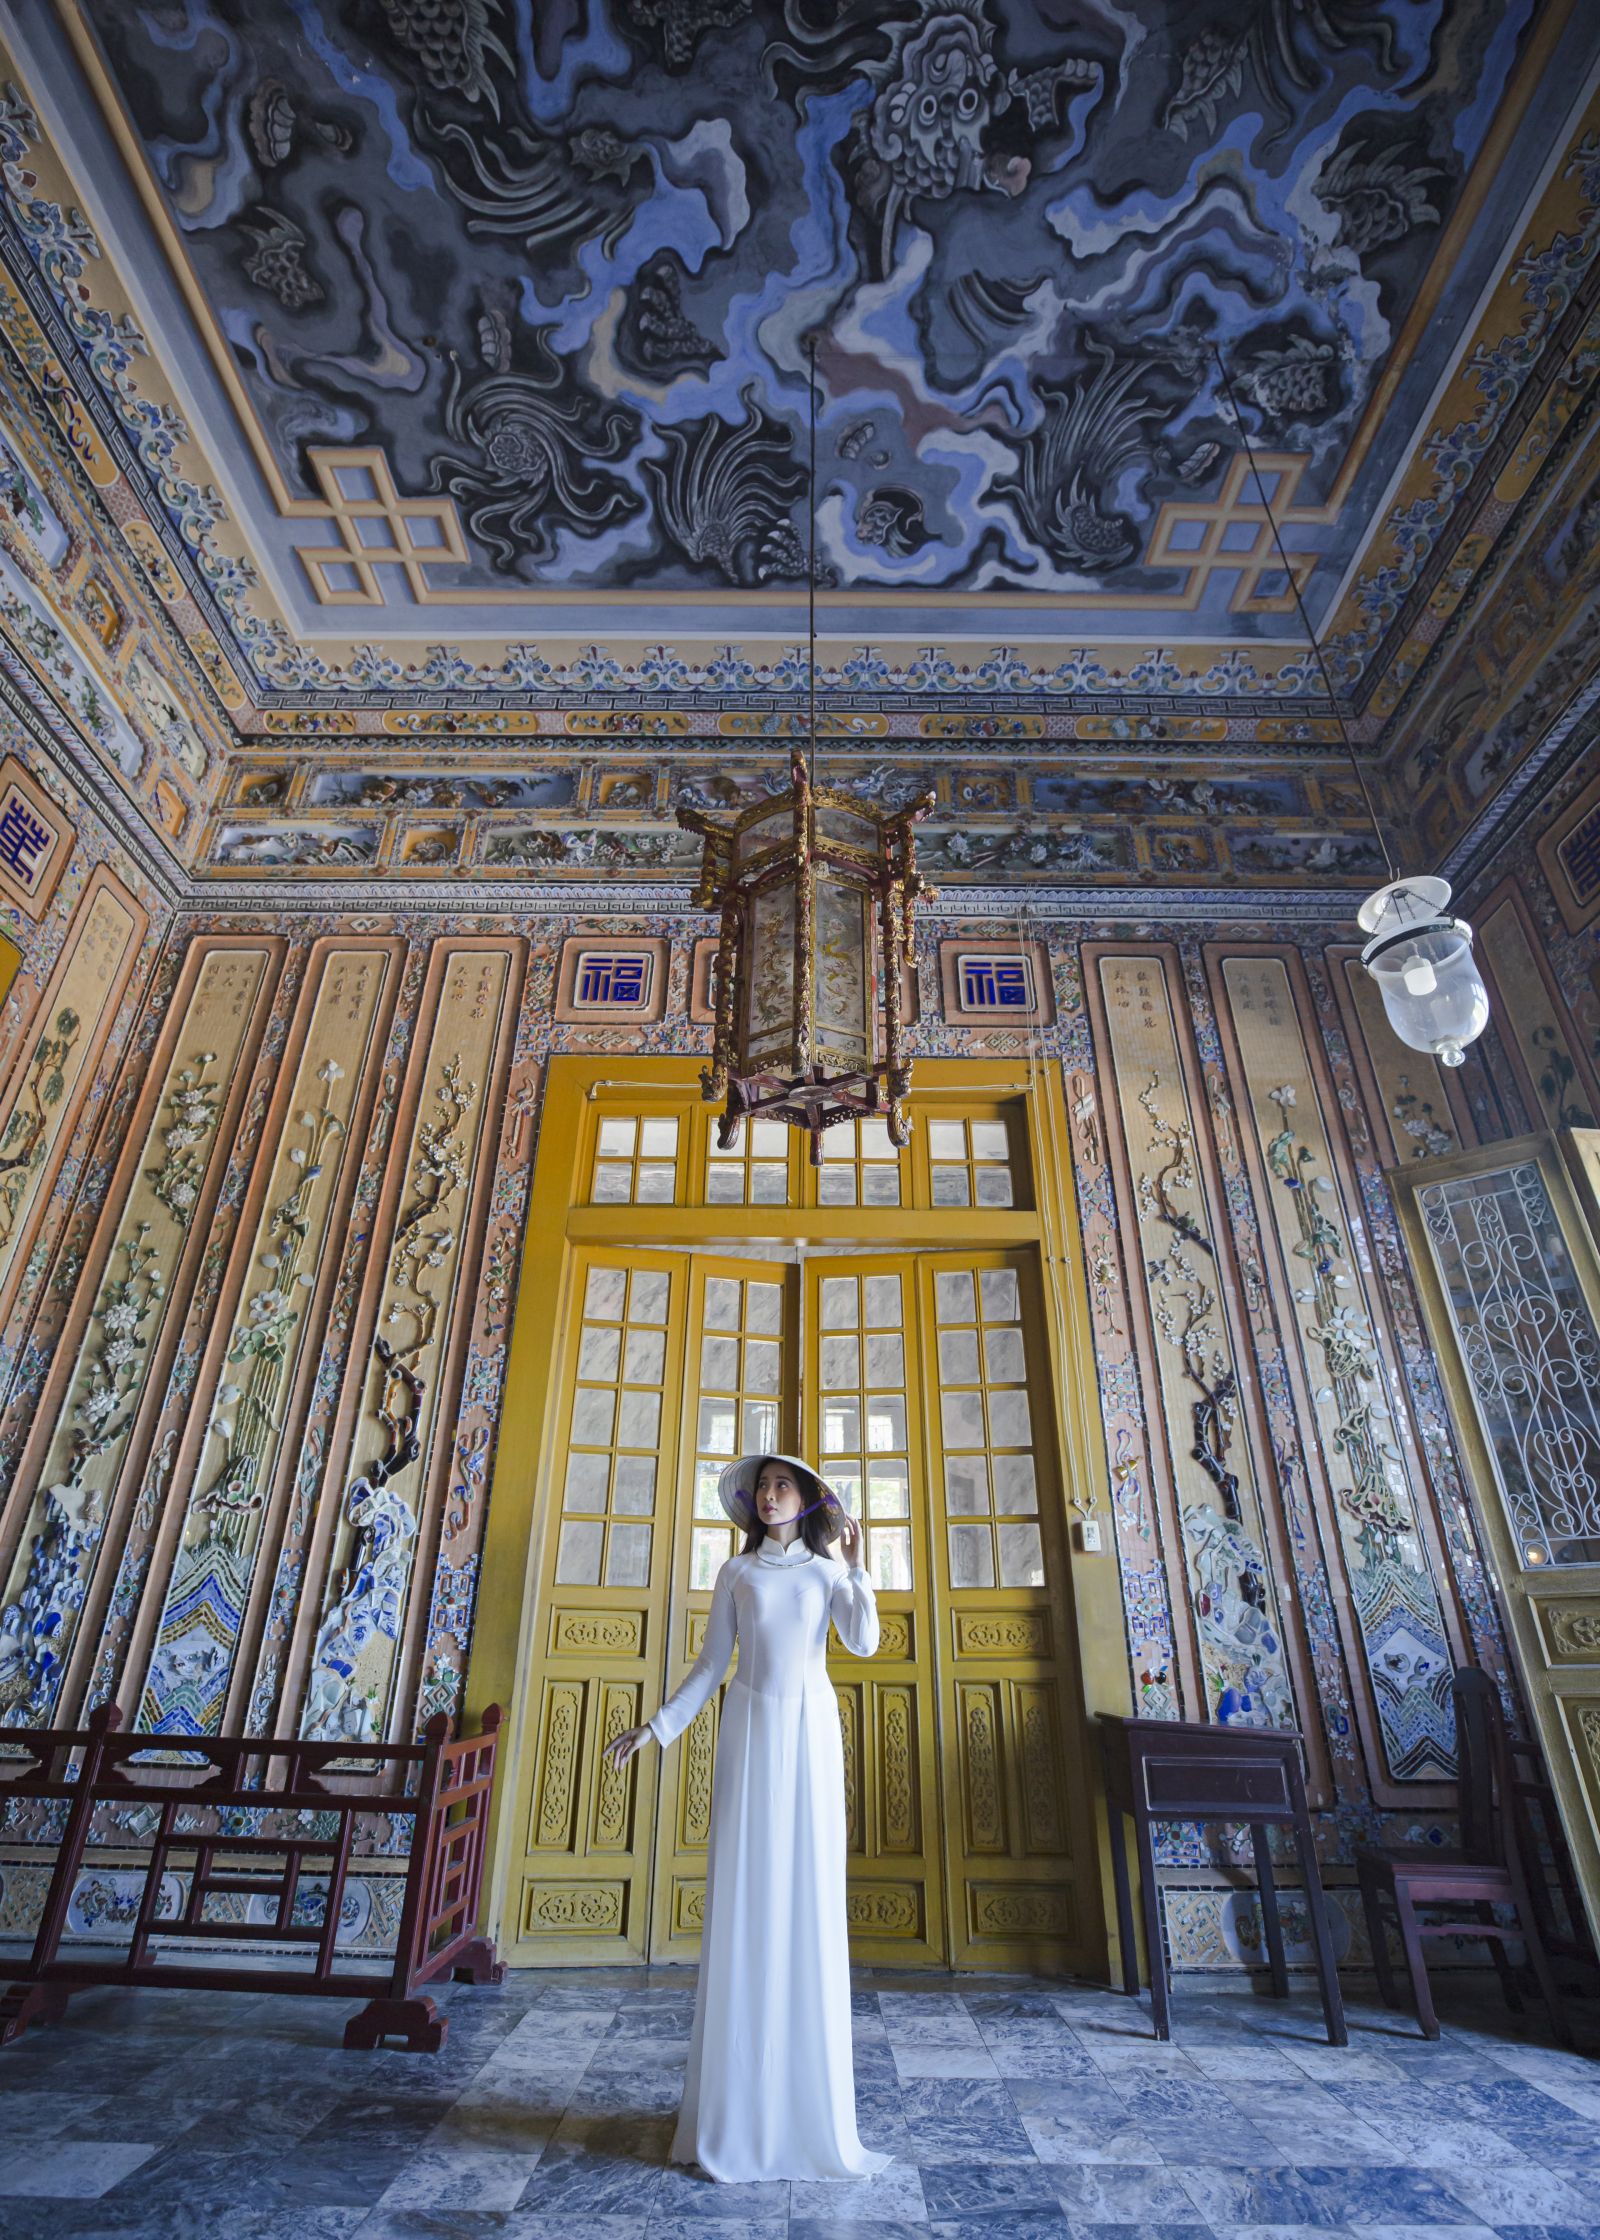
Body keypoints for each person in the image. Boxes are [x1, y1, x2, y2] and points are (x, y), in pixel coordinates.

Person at [604, 1451, 891, 2184]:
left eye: (782, 1485)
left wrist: (861, 1565)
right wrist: (657, 1728)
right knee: (749, 1901)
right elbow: (711, 1667)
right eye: (762, 1486)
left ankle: (806, 2113)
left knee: (807, 1900)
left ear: (806, 1502)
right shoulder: (734, 1575)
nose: (769, 1494)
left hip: (812, 1734)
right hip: (750, 1730)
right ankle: (737, 2111)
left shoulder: (828, 1575)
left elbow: (863, 1641)